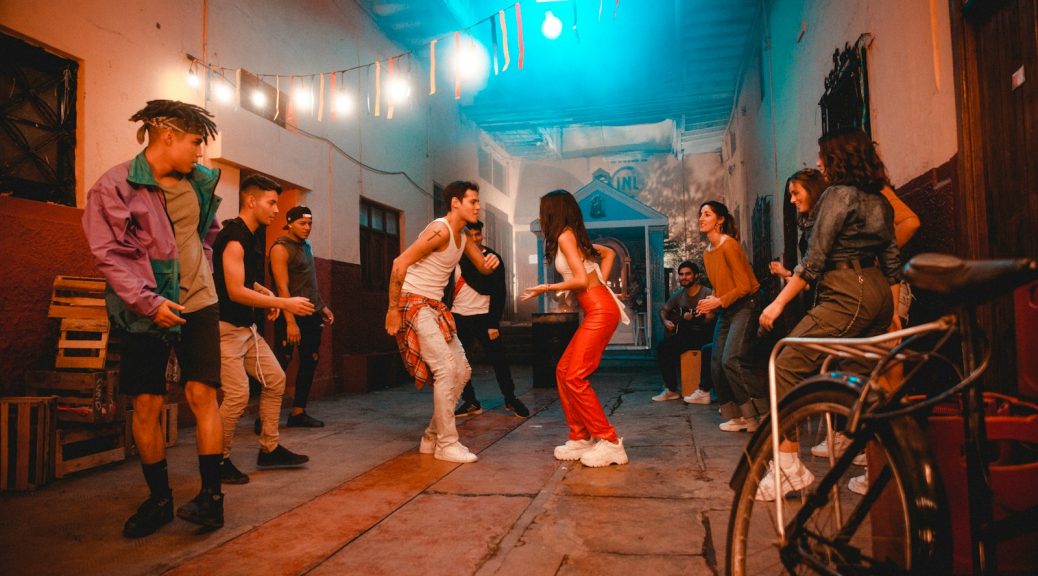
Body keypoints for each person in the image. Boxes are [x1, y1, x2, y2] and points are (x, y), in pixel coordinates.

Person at [82, 100, 226, 536]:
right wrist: (149, 302)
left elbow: (208, 232)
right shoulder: (115, 186)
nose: (200, 153)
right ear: (167, 136)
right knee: (145, 403)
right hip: (145, 311)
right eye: (195, 142)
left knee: (204, 396)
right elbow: (109, 256)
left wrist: (199, 270)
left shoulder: (198, 182)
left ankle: (211, 500)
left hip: (198, 303)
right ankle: (159, 500)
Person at [755, 127, 902, 501]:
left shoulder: (838, 195)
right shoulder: (880, 200)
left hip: (846, 293)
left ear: (838, 158)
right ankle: (879, 467)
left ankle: (789, 469)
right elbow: (892, 262)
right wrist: (894, 315)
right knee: (861, 378)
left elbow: (815, 261)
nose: (818, 163)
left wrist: (778, 302)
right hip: (878, 294)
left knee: (785, 364)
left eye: (823, 156)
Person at [385, 181, 500, 464]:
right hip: (414, 302)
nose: (477, 206)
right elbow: (400, 263)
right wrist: (392, 310)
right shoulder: (440, 230)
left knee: (461, 370)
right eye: (472, 201)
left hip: (435, 306)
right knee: (446, 369)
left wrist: (491, 264)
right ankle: (448, 443)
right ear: (455, 203)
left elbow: (482, 266)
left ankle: (431, 437)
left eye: (477, 201)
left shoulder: (462, 238)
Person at [212, 175, 314, 485]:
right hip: (226, 329)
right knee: (237, 396)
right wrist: (284, 303)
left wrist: (266, 294)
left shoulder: (252, 235)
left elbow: (246, 283)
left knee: (276, 380)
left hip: (246, 329)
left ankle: (269, 448)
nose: (275, 209)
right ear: (251, 201)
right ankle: (216, 459)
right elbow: (233, 291)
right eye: (271, 202)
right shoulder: (233, 237)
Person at [521, 190, 630, 468]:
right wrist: (600, 284)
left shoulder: (565, 236)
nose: (539, 216)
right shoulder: (572, 237)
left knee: (575, 376)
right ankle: (580, 437)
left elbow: (581, 279)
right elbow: (607, 255)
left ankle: (610, 441)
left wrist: (547, 288)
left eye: (543, 210)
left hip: (601, 311)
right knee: (563, 371)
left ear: (553, 212)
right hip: (597, 307)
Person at [695, 201, 766, 432]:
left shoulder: (729, 245)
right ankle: (737, 416)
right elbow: (720, 287)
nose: (701, 218)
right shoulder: (708, 252)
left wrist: (719, 301)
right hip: (728, 307)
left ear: (720, 220)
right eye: (700, 215)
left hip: (747, 304)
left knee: (732, 359)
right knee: (715, 362)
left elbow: (745, 286)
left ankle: (762, 415)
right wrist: (709, 303)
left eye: (707, 214)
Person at [450, 221, 530, 419]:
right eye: (471, 236)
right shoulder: (454, 257)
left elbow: (499, 292)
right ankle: (470, 402)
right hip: (458, 315)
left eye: (478, 235)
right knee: (458, 362)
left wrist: (493, 323)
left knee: (499, 361)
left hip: (484, 317)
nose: (476, 239)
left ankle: (510, 399)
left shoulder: (491, 258)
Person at [269, 205, 335, 428]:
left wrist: (322, 307)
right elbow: (282, 287)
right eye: (302, 223)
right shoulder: (280, 248)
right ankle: (265, 415)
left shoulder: (306, 246)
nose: (307, 228)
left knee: (310, 361)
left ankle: (298, 412)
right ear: (289, 223)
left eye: (310, 224)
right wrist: (290, 322)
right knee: (280, 365)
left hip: (311, 314)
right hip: (290, 314)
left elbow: (310, 282)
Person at [652, 261, 715, 403]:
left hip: (705, 334)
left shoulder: (707, 293)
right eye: (681, 275)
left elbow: (710, 321)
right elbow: (664, 310)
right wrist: (665, 321)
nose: (684, 277)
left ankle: (703, 390)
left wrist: (701, 318)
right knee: (663, 347)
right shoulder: (679, 295)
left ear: (696, 276)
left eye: (687, 274)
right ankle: (671, 390)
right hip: (686, 334)